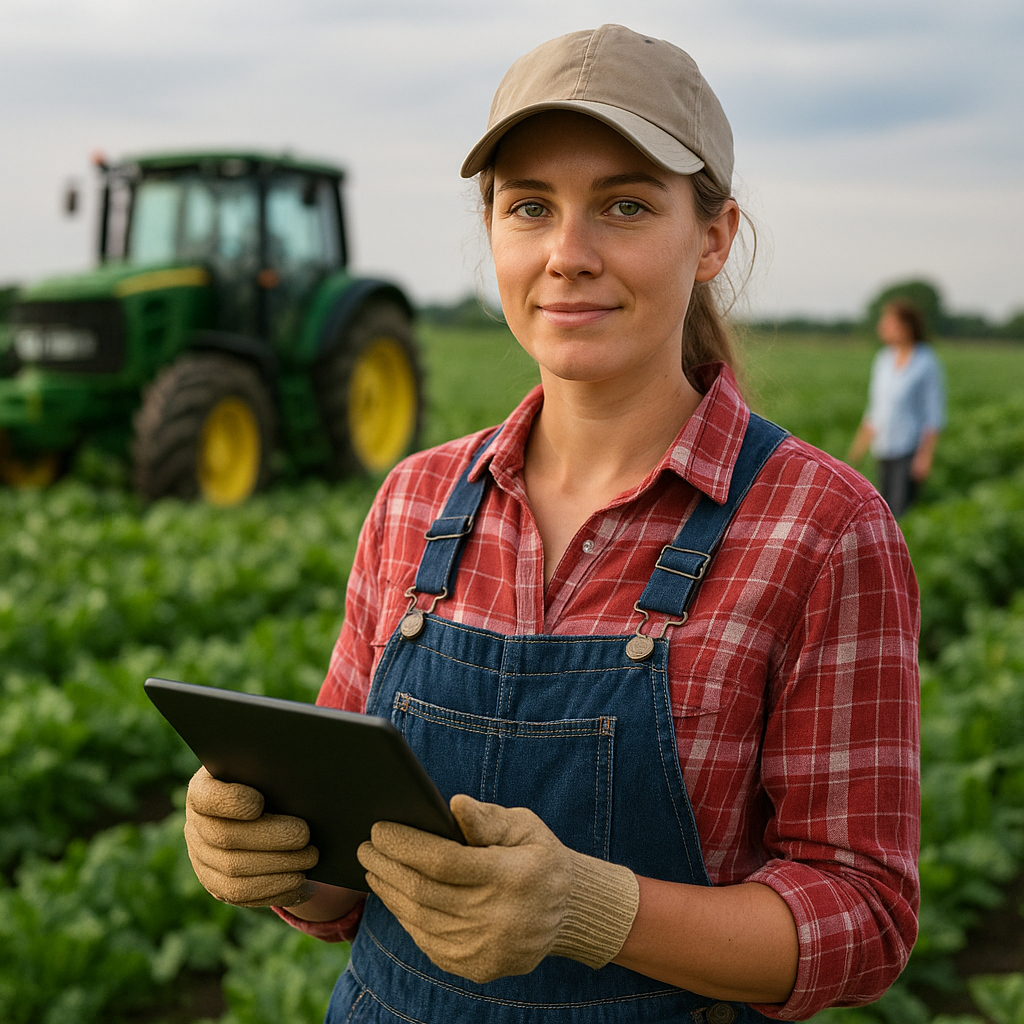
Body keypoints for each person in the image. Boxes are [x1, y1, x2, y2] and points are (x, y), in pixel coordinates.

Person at [183, 25, 921, 1023]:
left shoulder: (821, 527)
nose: (567, 255)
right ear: (493, 233)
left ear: (712, 238)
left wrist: (596, 910)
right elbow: (341, 889)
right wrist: (272, 853)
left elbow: (864, 916)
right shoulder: (413, 502)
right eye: (530, 206)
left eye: (624, 204)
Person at [848, 298, 946, 517]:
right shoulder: (883, 359)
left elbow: (933, 413)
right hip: (884, 446)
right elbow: (875, 407)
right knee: (884, 508)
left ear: (906, 326)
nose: (882, 328)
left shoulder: (926, 361)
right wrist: (860, 445)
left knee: (901, 512)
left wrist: (925, 455)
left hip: (909, 448)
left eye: (889, 323)